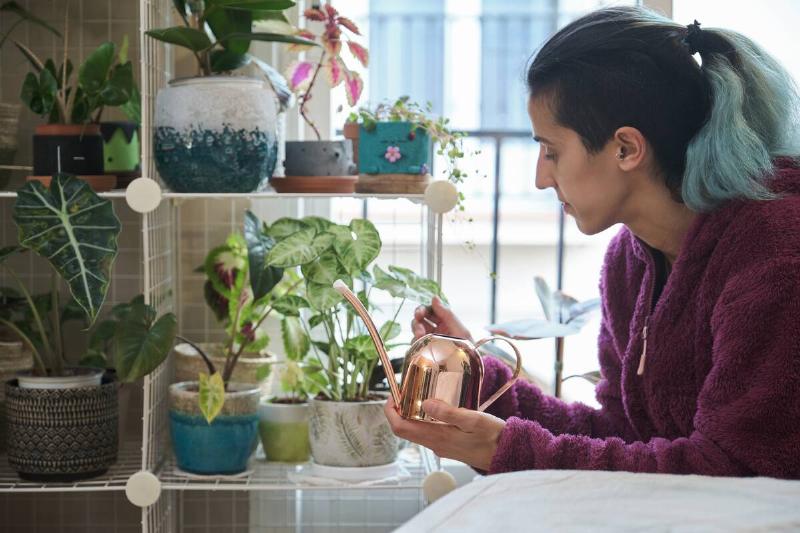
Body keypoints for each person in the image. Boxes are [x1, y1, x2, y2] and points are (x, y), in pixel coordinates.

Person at [383, 6, 800, 479]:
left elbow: (735, 468)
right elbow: (626, 436)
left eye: (552, 151)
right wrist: (483, 381)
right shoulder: (631, 261)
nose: (541, 177)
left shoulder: (777, 256)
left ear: (626, 148)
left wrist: (507, 449)